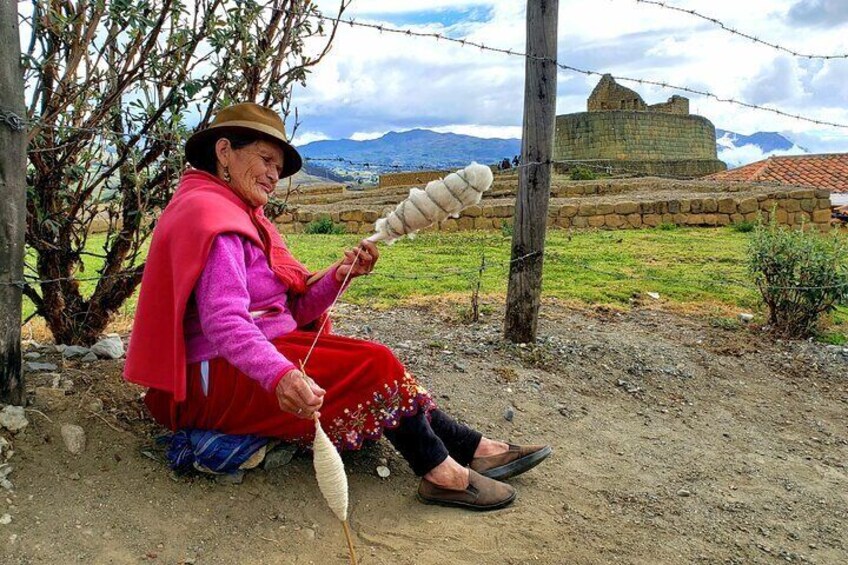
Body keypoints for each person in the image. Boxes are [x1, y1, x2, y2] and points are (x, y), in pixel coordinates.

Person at [124, 103, 551, 510]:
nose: (274, 175)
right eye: (266, 160)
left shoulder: (245, 216)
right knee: (375, 364)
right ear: (224, 152)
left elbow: (291, 310)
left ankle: (469, 447)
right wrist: (282, 375)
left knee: (376, 364)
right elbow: (224, 319)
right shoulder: (211, 217)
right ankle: (442, 473)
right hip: (215, 378)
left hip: (249, 358)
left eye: (278, 166)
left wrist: (340, 275)